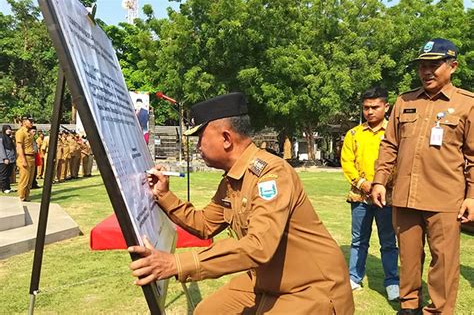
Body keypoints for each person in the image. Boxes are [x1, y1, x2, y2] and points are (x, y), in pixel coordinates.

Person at [128, 92, 354, 314]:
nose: (197, 147)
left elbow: (258, 246)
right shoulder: (233, 178)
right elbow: (205, 223)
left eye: (200, 138)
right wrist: (164, 194)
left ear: (226, 138)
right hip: (266, 280)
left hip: (311, 287)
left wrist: (176, 264)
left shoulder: (271, 175)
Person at [371, 38, 474, 315]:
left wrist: (472, 197)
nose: (426, 72)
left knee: (444, 261)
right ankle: (409, 306)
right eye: (422, 66)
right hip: (405, 196)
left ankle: (439, 310)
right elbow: (389, 144)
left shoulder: (467, 105)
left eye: (434, 65)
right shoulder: (405, 101)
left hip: (445, 198)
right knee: (409, 256)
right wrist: (380, 180)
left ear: (453, 66)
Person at [340, 87, 399, 300]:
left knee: (388, 242)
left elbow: (399, 162)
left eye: (375, 107)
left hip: (387, 197)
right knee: (358, 240)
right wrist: (363, 183)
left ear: (386, 107)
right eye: (366, 108)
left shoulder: (395, 134)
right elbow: (346, 162)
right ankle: (354, 277)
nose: (370, 111)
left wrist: (382, 184)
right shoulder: (354, 134)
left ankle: (392, 281)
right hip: (360, 196)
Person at [15, 116, 36, 201]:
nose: (32, 123)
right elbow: (19, 147)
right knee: (24, 180)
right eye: (30, 121)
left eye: (32, 121)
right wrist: (23, 160)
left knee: (29, 181)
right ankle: (21, 198)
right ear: (24, 122)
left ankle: (26, 197)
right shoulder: (20, 132)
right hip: (25, 157)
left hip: (31, 158)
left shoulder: (29, 133)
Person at [0, 125, 16, 194]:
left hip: (11, 159)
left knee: (9, 174)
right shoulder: (1, 138)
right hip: (4, 160)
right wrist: (5, 158)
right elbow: (1, 149)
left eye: (10, 129)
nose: (9, 130)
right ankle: (3, 188)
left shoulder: (9, 138)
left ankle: (8, 188)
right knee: (4, 175)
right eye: (7, 129)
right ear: (4, 130)